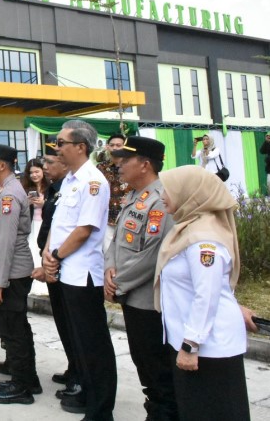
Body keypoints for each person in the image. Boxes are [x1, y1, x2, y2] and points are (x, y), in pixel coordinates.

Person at [156, 165, 250, 421]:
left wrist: (190, 345)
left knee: (213, 411)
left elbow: (205, 294)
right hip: (196, 341)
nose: (162, 195)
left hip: (208, 346)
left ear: (190, 193)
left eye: (168, 190)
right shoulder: (190, 228)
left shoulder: (202, 240)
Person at [42, 119, 116, 420]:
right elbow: (59, 225)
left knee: (93, 342)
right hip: (64, 269)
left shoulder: (92, 182)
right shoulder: (71, 180)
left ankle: (101, 410)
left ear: (80, 147)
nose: (56, 148)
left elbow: (85, 229)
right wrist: (48, 253)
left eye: (61, 143)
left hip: (82, 273)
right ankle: (86, 391)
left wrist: (56, 255)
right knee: (78, 340)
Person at [104, 137, 178, 420]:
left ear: (145, 164)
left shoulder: (162, 200)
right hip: (130, 296)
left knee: (157, 369)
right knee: (143, 363)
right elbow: (116, 242)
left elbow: (155, 253)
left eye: (126, 160)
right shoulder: (133, 196)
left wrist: (118, 281)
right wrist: (109, 269)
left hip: (148, 300)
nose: (119, 164)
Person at [0, 144, 39, 406]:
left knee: (14, 330)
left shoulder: (9, 196)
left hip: (11, 274)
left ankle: (21, 386)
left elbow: (6, 242)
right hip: (11, 272)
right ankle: (28, 378)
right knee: (16, 328)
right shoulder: (7, 190)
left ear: (2, 165)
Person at [32, 139, 79, 399]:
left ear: (64, 163)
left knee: (72, 324)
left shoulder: (71, 189)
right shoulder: (55, 189)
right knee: (62, 321)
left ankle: (80, 374)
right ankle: (74, 367)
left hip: (65, 263)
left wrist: (52, 258)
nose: (45, 167)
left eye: (50, 162)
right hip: (52, 262)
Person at [96, 133, 132, 252]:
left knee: (126, 251)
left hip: (128, 216)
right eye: (112, 145)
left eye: (118, 145)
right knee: (107, 252)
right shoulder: (100, 168)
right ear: (107, 147)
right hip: (106, 218)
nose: (115, 148)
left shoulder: (132, 166)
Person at [21, 157, 49, 295]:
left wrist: (44, 204)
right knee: (32, 251)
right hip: (31, 225)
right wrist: (27, 203)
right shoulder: (25, 189)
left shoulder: (50, 188)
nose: (34, 175)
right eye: (31, 173)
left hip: (44, 225)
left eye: (37, 171)